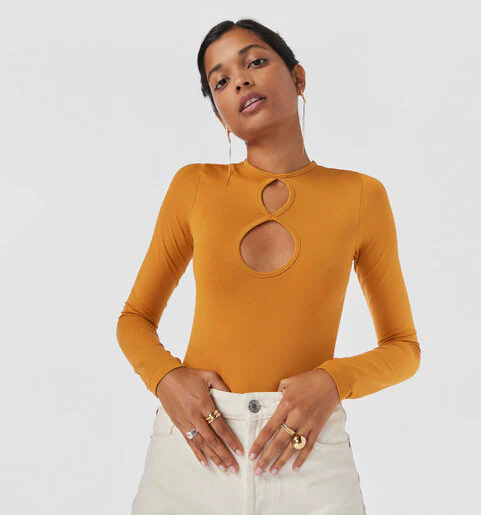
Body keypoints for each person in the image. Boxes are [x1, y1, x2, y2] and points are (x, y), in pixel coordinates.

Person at [116, 17, 421, 515]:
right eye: (220, 81)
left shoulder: (361, 196)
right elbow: (134, 318)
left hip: (307, 452)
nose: (239, 81)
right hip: (194, 448)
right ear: (220, 115)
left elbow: (404, 348)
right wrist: (167, 379)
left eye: (255, 61)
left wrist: (334, 380)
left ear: (298, 78)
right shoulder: (194, 186)